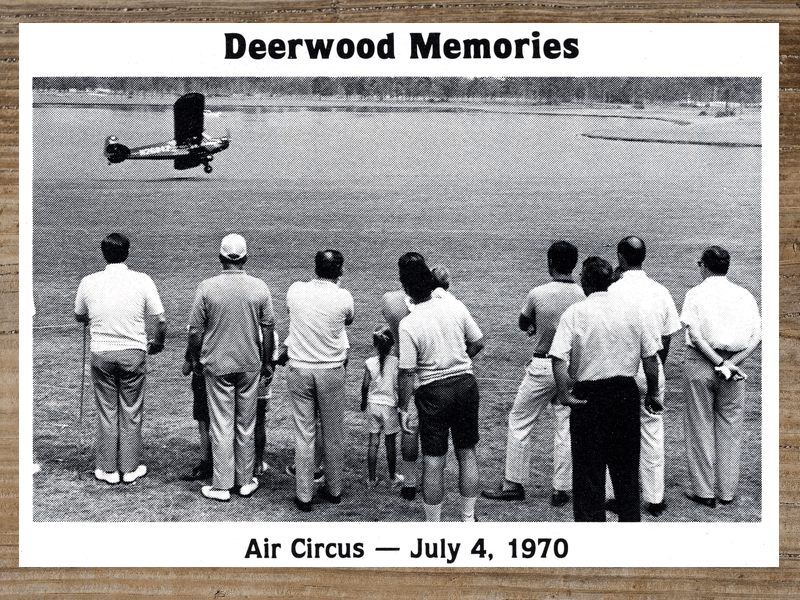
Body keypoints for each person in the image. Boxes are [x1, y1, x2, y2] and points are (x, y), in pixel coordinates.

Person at [550, 256, 660, 522]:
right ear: (610, 280)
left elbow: (558, 358)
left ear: (585, 282)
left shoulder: (575, 313)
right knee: (625, 471)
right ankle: (629, 526)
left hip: (589, 396)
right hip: (624, 393)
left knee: (588, 473)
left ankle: (591, 533)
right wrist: (653, 393)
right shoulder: (632, 311)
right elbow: (650, 359)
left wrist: (565, 394)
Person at [483, 241, 584, 507]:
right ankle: (561, 488)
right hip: (572, 368)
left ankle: (513, 484)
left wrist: (537, 327)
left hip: (543, 364)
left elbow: (523, 322)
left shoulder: (537, 293)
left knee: (520, 420)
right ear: (573, 264)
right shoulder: (584, 294)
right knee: (565, 426)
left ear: (550, 263)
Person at [188, 234, 275, 502]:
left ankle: (222, 484)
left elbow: (195, 332)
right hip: (250, 363)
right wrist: (268, 361)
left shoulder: (207, 287)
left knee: (221, 423)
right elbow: (268, 329)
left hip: (218, 364)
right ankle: (245, 480)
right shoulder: (259, 287)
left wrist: (193, 359)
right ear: (246, 258)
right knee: (246, 423)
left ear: (221, 257)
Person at [74, 232, 166, 485]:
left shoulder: (89, 281)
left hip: (102, 353)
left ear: (104, 254)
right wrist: (158, 342)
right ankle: (129, 468)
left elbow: (79, 315)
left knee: (107, 410)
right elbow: (159, 319)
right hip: (133, 354)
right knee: (131, 410)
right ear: (127, 253)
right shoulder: (142, 280)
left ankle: (108, 469)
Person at [398, 258, 485, 522]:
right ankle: (468, 519)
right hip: (465, 384)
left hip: (433, 392)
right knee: (466, 452)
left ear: (407, 289)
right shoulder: (455, 306)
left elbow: (407, 371)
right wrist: (462, 359)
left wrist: (404, 406)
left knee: (434, 459)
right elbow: (478, 341)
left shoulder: (409, 324)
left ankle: (433, 525)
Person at [604, 236, 681, 518]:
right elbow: (667, 335)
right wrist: (657, 368)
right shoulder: (660, 291)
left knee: (615, 432)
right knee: (652, 431)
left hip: (618, 368)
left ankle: (615, 494)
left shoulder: (611, 289)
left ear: (621, 258)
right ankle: (655, 497)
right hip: (651, 365)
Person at [680, 246, 761, 508]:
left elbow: (695, 335)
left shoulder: (696, 293)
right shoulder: (744, 295)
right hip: (733, 367)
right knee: (730, 427)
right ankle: (726, 492)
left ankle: (704, 491)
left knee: (699, 426)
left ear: (704, 265)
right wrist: (731, 364)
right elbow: (756, 338)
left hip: (701, 363)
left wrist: (719, 362)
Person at [285, 249, 354, 512]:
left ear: (315, 268)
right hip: (331, 370)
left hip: (300, 369)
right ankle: (334, 489)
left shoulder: (296, 290)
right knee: (333, 432)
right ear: (339, 271)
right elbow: (348, 319)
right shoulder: (343, 296)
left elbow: (293, 311)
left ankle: (304, 495)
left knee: (305, 434)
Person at [381, 252, 426, 501]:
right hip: (429, 367)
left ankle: (409, 482)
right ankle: (429, 477)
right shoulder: (434, 301)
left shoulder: (390, 300)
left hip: (404, 366)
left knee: (408, 425)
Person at [360, 326, 404, 488]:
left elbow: (365, 386)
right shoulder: (395, 363)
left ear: (374, 344)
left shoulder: (369, 363)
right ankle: (392, 478)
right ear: (392, 344)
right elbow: (399, 386)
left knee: (373, 442)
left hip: (373, 405)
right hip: (389, 407)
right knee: (390, 443)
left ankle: (371, 480)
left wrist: (364, 401)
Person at [181, 343, 212, 481]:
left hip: (200, 386)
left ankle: (205, 463)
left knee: (204, 427)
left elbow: (185, 370)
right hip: (218, 384)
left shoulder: (195, 343)